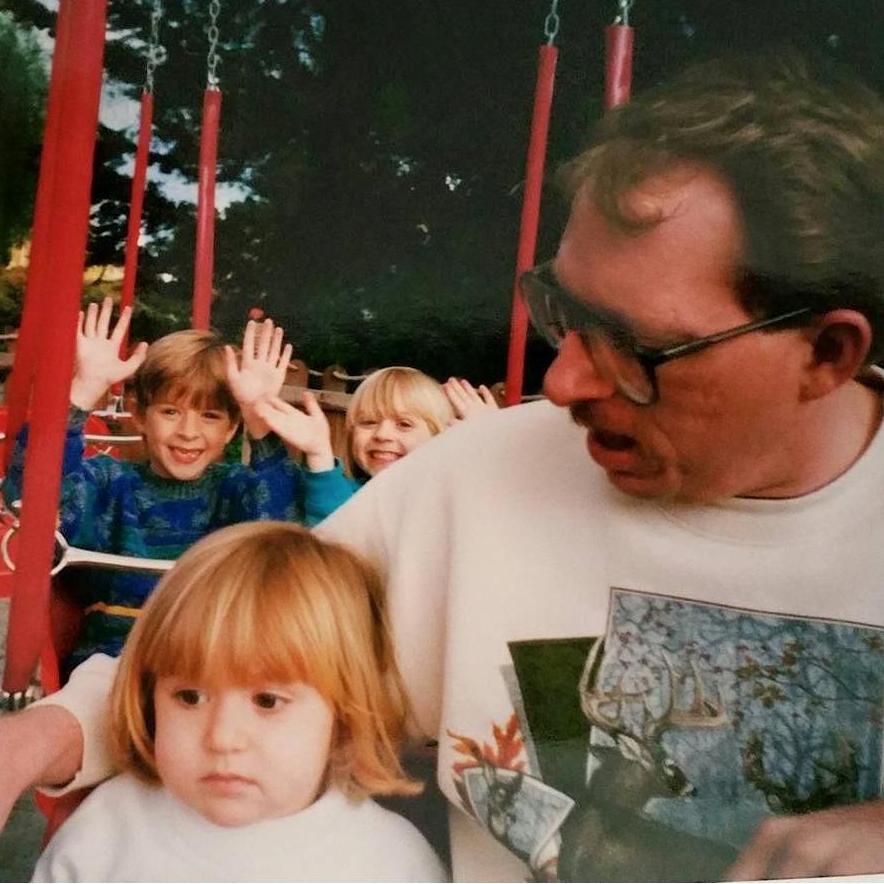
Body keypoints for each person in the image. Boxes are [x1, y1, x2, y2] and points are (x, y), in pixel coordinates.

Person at [3, 50, 884, 881]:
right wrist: (34, 739)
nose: (564, 383)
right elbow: (231, 645)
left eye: (634, 349)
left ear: (828, 354)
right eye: (564, 313)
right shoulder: (477, 479)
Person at [30, 521, 446, 882]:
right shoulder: (103, 834)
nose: (222, 738)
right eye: (190, 696)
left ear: (344, 715)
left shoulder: (390, 863)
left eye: (267, 701)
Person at [3, 299, 354, 670]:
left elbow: (283, 531)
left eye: (210, 416)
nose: (188, 432)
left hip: (217, 666)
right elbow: (27, 497)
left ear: (231, 428)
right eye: (170, 412)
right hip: (117, 663)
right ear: (140, 415)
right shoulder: (109, 484)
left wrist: (258, 418)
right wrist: (85, 390)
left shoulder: (237, 490)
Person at [256, 365, 497, 483]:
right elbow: (335, 526)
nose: (382, 434)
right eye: (368, 422)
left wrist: (494, 446)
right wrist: (320, 456)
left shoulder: (450, 501)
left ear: (440, 437)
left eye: (404, 424)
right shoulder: (349, 497)